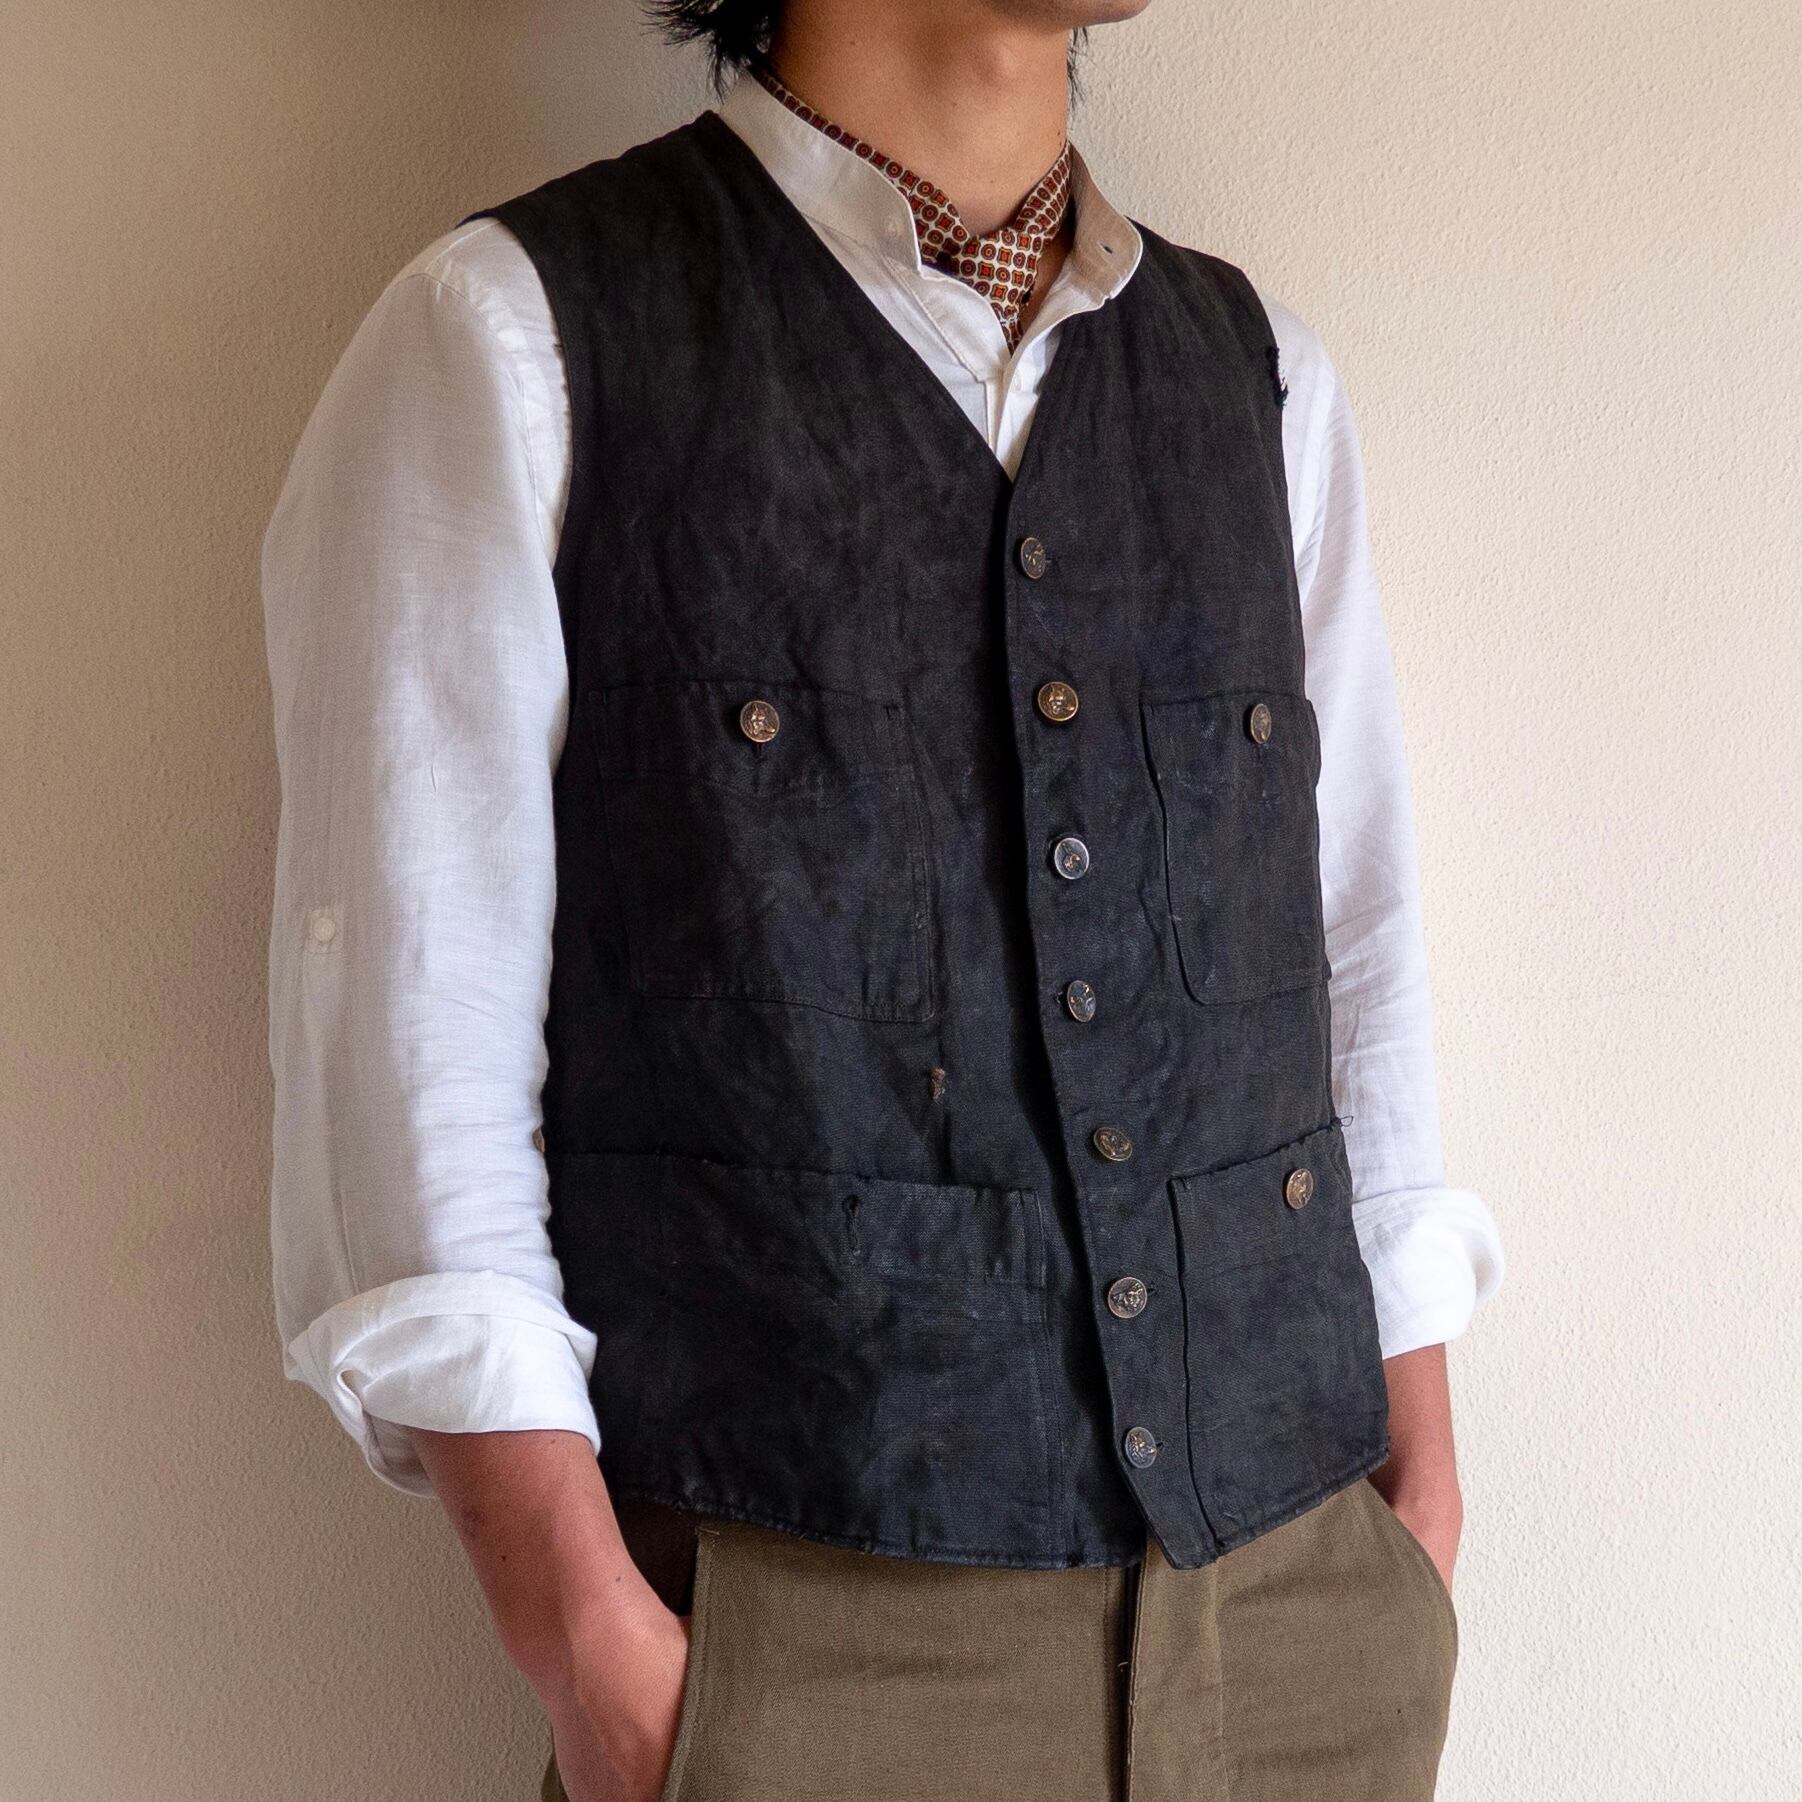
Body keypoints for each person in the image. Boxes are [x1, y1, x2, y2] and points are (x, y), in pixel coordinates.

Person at [261, 3, 1506, 1797]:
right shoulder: (516, 333)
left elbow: (1351, 952)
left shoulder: (1260, 376)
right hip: (806, 1657)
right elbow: (406, 1038)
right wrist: (596, 1649)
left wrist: (1414, 1513)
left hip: (1304, 1623)